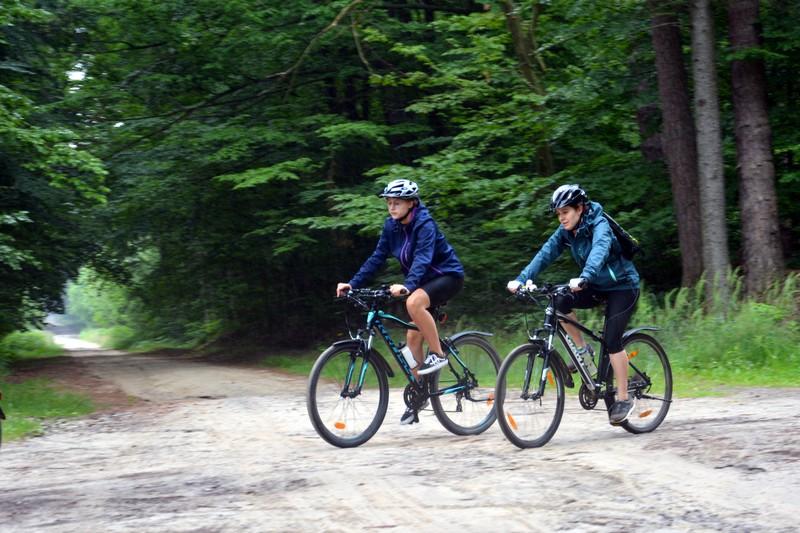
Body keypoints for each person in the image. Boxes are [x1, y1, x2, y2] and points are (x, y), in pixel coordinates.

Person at [506, 184, 640, 425]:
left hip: (622, 286)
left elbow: (599, 250)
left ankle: (623, 397)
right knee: (559, 301)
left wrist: (586, 276)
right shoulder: (566, 231)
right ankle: (583, 350)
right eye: (558, 213)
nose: (561, 218)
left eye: (565, 212)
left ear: (580, 208)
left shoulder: (600, 224)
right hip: (595, 285)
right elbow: (545, 254)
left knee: (612, 341)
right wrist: (521, 279)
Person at [336, 178, 465, 425]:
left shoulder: (424, 224)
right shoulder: (391, 227)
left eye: (397, 203)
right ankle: (420, 394)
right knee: (412, 338)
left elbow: (423, 258)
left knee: (413, 303)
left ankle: (438, 354)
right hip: (422, 283)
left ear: (411, 203)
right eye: (389, 203)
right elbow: (377, 258)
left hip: (447, 277)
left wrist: (408, 285)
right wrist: (353, 283)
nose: (392, 207)